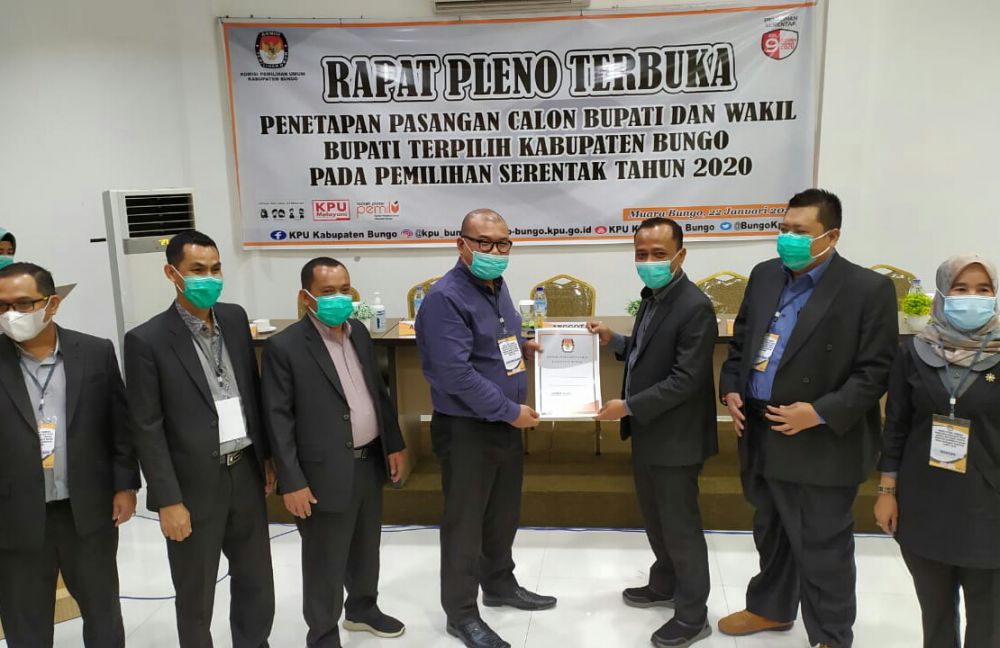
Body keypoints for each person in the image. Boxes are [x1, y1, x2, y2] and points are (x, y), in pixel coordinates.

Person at [717, 189, 898, 648]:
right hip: (761, 429)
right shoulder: (764, 276)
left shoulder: (867, 289)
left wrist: (818, 412)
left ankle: (831, 636)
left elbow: (876, 371)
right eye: (783, 228)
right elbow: (742, 341)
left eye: (800, 231)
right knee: (771, 529)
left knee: (822, 545)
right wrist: (732, 388)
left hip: (821, 440)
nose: (787, 239)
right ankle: (770, 608)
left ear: (831, 236)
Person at [124, 229, 276, 648]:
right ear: (172, 273)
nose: (208, 278)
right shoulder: (147, 340)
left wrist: (264, 457)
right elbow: (147, 426)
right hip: (191, 486)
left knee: (256, 580)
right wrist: (168, 500)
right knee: (196, 591)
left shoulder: (234, 318)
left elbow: (251, 391)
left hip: (244, 470)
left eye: (215, 269)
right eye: (197, 270)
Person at [415, 208, 555, 648]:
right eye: (484, 242)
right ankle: (461, 613)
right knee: (465, 525)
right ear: (461, 244)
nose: (495, 251)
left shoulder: (497, 286)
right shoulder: (445, 298)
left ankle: (499, 584)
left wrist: (524, 347)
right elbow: (454, 374)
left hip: (502, 424)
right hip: (467, 430)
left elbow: (495, 343)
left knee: (502, 514)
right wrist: (509, 411)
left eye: (503, 243)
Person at [261, 257, 407, 648]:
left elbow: (378, 393)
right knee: (325, 560)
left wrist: (393, 443)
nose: (338, 298)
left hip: (368, 460)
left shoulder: (359, 332)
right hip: (320, 473)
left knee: (366, 546)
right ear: (306, 297)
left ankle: (362, 609)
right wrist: (291, 481)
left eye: (344, 290)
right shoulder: (285, 347)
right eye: (327, 292)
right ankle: (323, 634)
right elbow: (277, 419)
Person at [587, 217, 718, 647]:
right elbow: (645, 352)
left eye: (658, 254)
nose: (648, 261)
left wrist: (627, 406)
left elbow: (685, 379)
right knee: (656, 518)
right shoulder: (654, 297)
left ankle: (693, 615)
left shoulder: (694, 306)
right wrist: (614, 340)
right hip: (649, 432)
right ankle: (665, 583)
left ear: (681, 255)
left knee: (680, 527)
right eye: (641, 254)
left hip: (677, 438)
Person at [0, 262, 139, 647]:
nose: (11, 314)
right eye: (2, 306)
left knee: (102, 613)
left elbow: (119, 426)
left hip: (88, 511)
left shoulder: (94, 352)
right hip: (15, 515)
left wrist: (126, 485)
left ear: (52, 304)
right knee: (25, 623)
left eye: (23, 304)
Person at [875, 254, 1000, 647]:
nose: (972, 297)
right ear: (943, 294)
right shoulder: (914, 352)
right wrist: (887, 491)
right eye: (961, 288)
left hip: (989, 507)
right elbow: (896, 426)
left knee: (988, 622)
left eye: (983, 289)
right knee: (936, 614)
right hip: (925, 503)